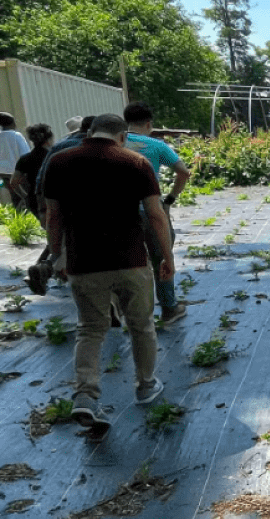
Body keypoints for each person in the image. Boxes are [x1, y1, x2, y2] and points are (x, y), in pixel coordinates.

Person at [43, 114, 171, 432]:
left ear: (89, 132)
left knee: (90, 330)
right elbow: (155, 215)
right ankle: (145, 385)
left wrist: (57, 256)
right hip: (131, 260)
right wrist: (166, 257)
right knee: (141, 326)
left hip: (84, 263)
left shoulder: (60, 162)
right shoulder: (135, 162)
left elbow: (53, 216)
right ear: (122, 136)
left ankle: (85, 395)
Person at [123, 102, 189, 324]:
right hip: (149, 208)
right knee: (162, 254)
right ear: (149, 124)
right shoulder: (156, 145)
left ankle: (128, 311)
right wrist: (170, 199)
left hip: (118, 212)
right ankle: (169, 307)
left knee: (124, 260)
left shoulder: (116, 143)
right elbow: (183, 172)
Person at [27, 115, 95, 296]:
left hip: (57, 202)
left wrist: (43, 209)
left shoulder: (59, 147)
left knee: (62, 240)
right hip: (87, 204)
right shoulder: (100, 147)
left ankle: (47, 266)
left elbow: (41, 179)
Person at [10, 123, 52, 215]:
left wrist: (25, 196)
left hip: (35, 199)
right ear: (49, 139)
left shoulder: (25, 159)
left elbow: (13, 182)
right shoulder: (53, 156)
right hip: (54, 198)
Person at [0, 112, 30, 198]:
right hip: (19, 174)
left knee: (15, 198)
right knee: (26, 198)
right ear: (12, 123)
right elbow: (26, 154)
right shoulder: (16, 135)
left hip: (5, 176)